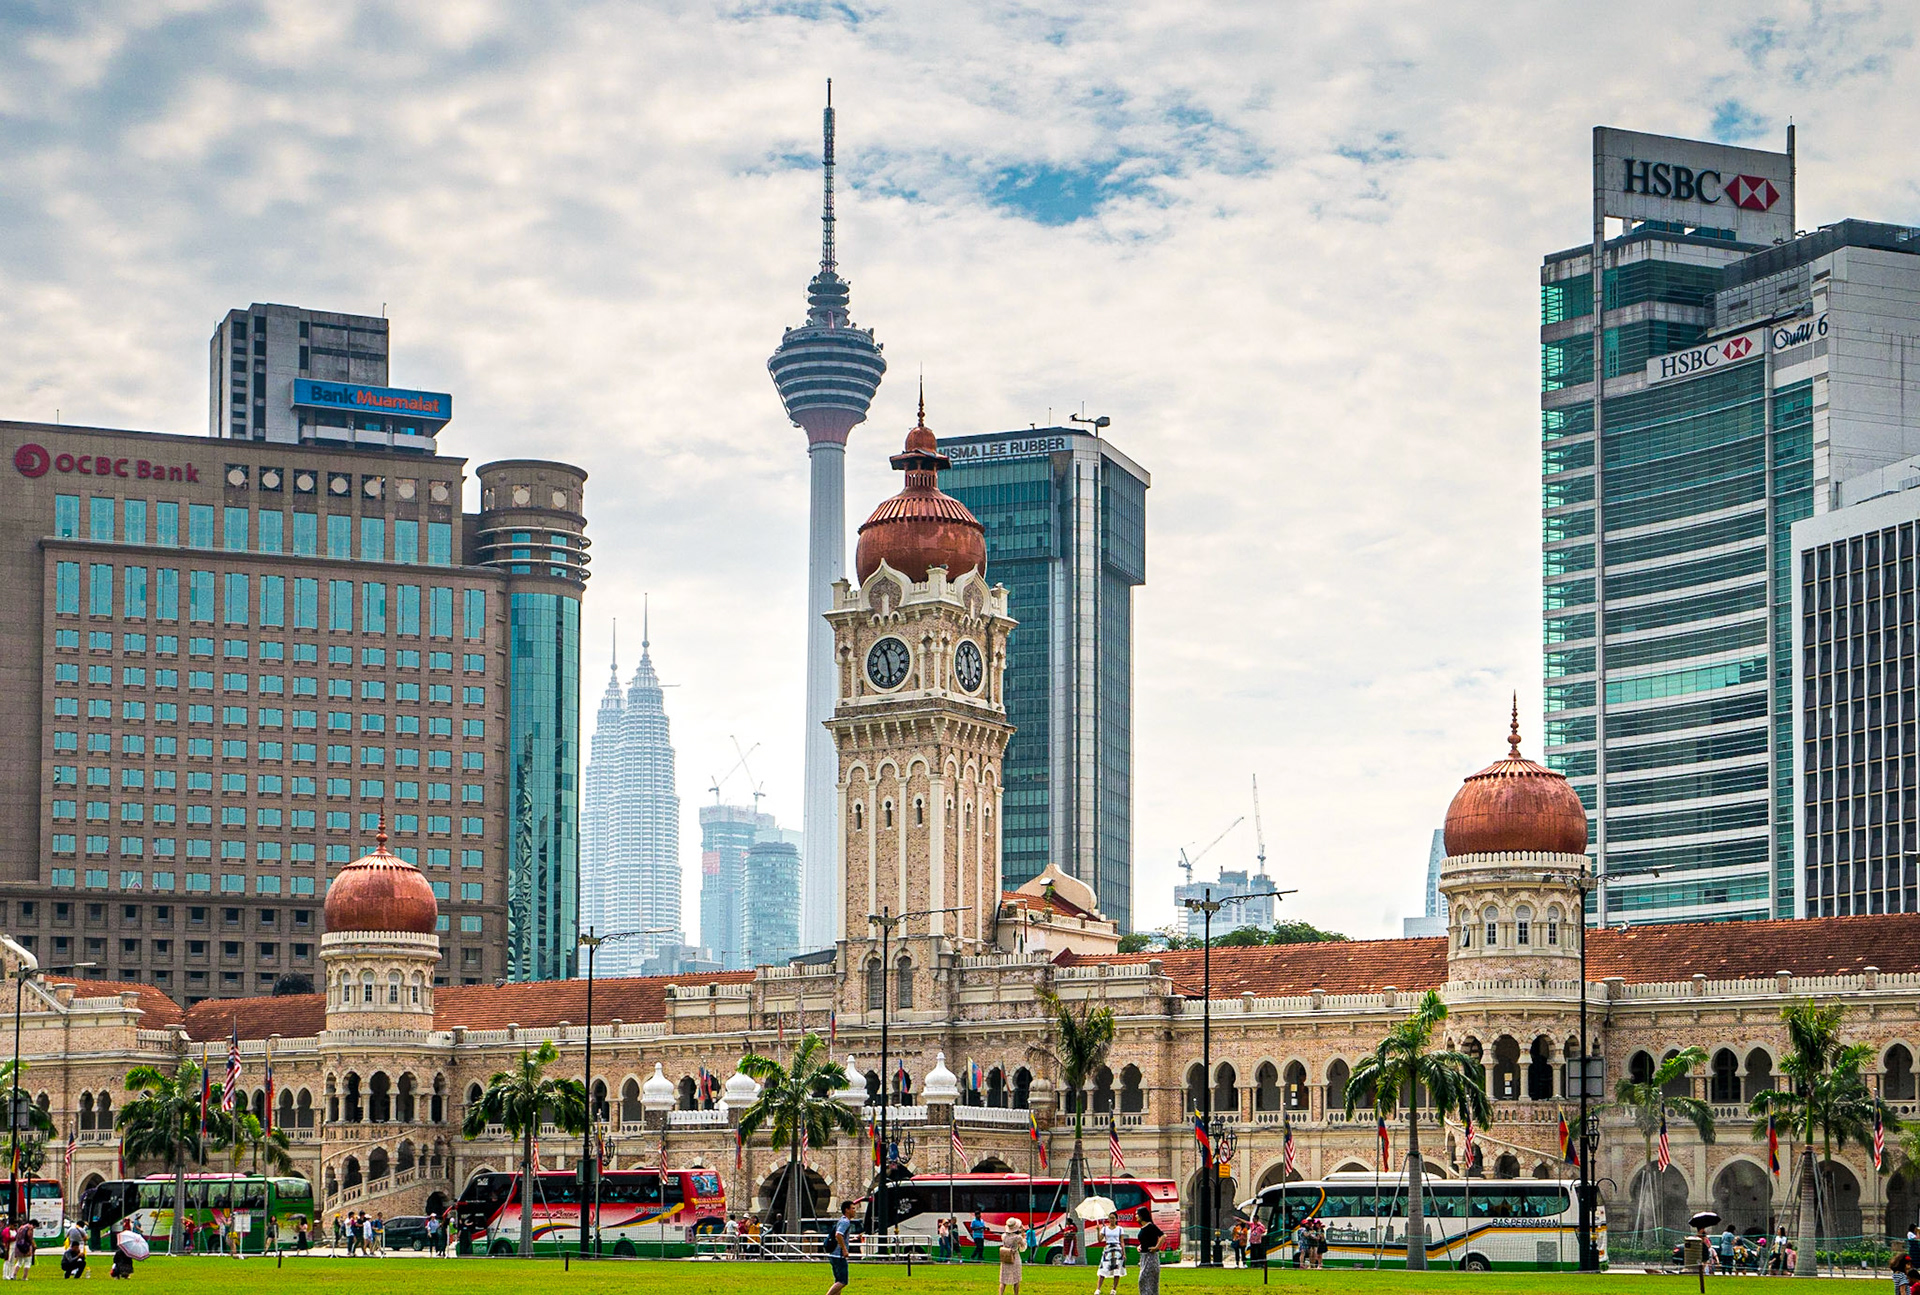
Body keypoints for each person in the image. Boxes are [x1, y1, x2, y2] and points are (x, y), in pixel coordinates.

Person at [825, 1201, 856, 1295]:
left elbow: (841, 1236)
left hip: (834, 1255)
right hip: (839, 1255)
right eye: (853, 1208)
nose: (854, 1211)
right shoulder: (845, 1221)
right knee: (843, 1281)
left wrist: (852, 1239)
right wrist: (844, 1249)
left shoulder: (842, 1220)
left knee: (838, 1281)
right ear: (847, 1210)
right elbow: (838, 1235)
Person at [1136, 1214, 1164, 1295]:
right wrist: (1140, 1246)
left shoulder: (1151, 1226)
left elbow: (1163, 1236)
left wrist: (1156, 1247)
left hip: (1150, 1257)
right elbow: (1146, 1240)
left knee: (1144, 1279)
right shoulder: (1143, 1228)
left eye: (1137, 1214)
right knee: (1144, 1281)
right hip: (1144, 1256)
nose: (1135, 1216)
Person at [998, 1218, 1022, 1295]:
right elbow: (1023, 1245)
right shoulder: (1017, 1237)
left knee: (1003, 1280)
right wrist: (1022, 1233)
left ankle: (1000, 1293)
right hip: (1015, 1257)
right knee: (1016, 1279)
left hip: (1006, 1257)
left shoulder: (1004, 1236)